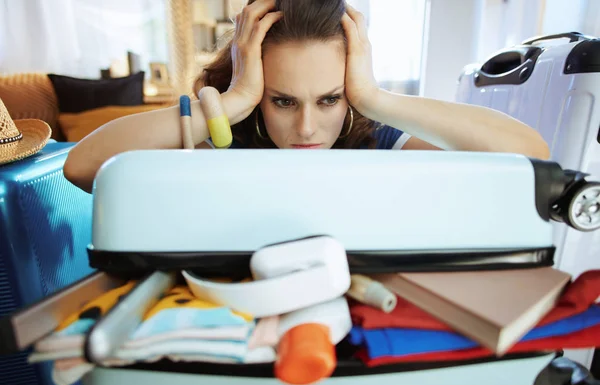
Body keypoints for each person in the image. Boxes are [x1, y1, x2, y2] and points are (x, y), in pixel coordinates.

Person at [64, 0, 550, 193]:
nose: (306, 130)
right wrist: (234, 101)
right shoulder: (227, 141)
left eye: (329, 99)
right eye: (283, 101)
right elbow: (83, 168)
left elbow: (532, 155)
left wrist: (374, 98)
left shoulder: (375, 139)